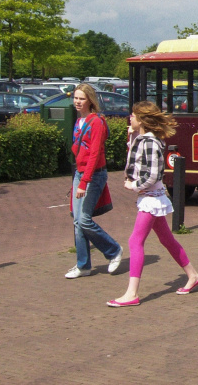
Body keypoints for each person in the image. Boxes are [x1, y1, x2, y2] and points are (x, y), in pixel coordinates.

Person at [107, 101, 198, 307]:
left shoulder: (149, 142)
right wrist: (131, 136)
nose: (129, 118)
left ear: (141, 119)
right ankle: (193, 275)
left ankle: (132, 293)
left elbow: (152, 175)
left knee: (135, 241)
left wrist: (133, 186)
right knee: (167, 239)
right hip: (150, 196)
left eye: (133, 115)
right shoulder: (143, 139)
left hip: (151, 198)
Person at [66, 84, 123, 279]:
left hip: (93, 175)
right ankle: (83, 265)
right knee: (77, 221)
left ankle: (114, 250)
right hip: (80, 173)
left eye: (81, 98)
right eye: (75, 98)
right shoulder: (79, 121)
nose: (77, 102)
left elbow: (95, 154)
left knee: (84, 220)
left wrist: (84, 182)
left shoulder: (96, 122)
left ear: (90, 100)